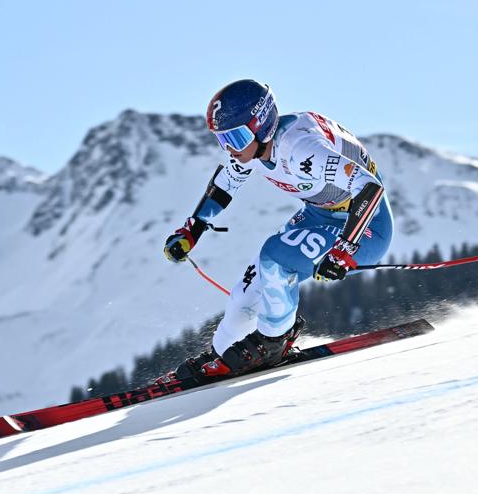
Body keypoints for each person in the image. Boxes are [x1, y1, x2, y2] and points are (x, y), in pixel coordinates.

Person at [163, 79, 393, 385]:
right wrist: (193, 230)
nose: (230, 148)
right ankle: (220, 352)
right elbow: (225, 185)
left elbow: (370, 188)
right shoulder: (253, 149)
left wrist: (344, 249)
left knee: (275, 258)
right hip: (319, 214)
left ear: (261, 126)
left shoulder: (302, 149)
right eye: (222, 140)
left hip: (365, 225)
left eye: (236, 136)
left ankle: (273, 341)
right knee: (249, 288)